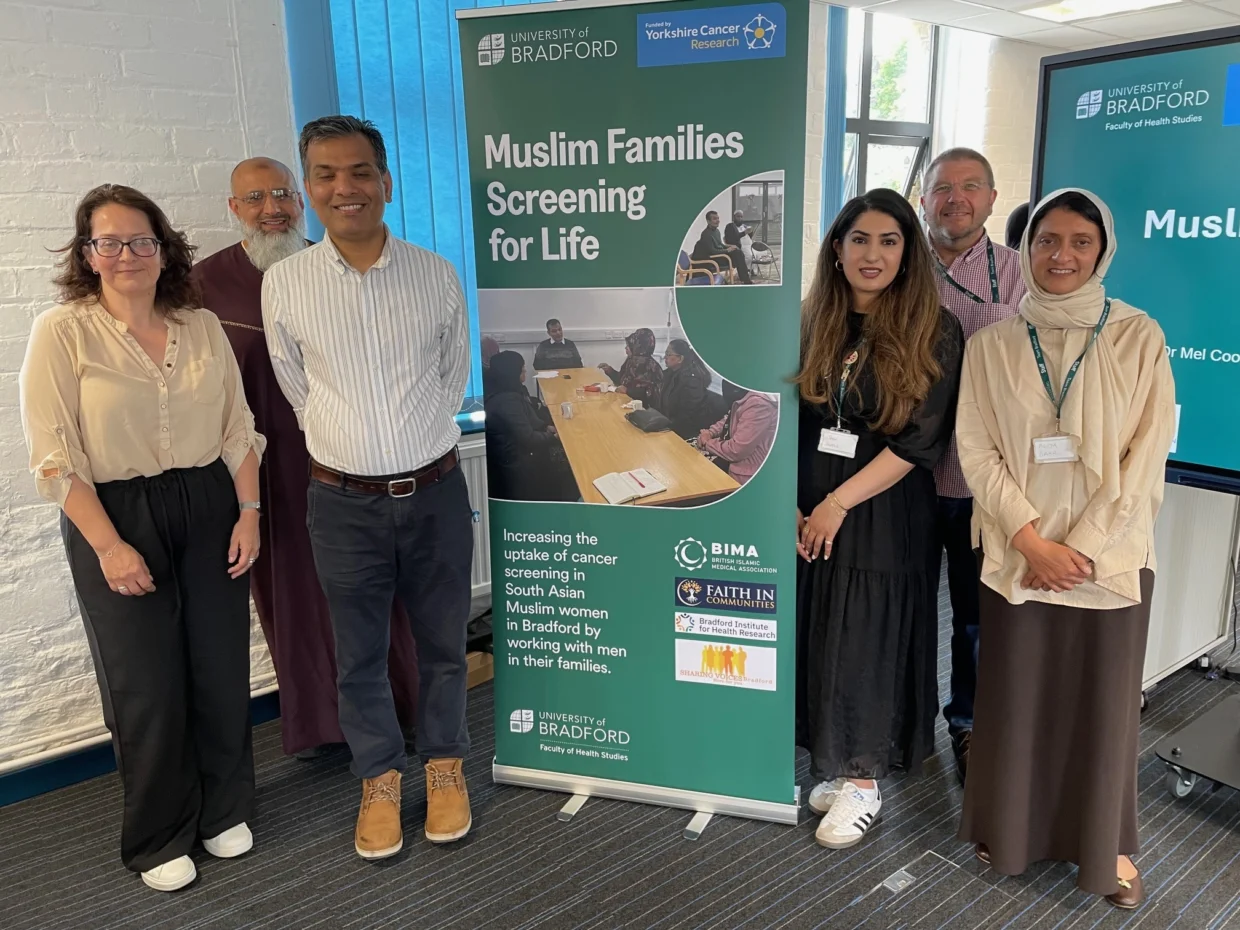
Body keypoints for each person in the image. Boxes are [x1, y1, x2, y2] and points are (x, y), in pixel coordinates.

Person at [19, 184, 265, 892]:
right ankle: (159, 832)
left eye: (141, 240)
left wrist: (249, 513)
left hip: (209, 503)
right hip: (116, 514)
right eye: (109, 241)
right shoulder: (61, 332)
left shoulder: (203, 325)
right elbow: (53, 459)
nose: (127, 254)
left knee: (219, 669)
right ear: (88, 254)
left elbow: (236, 430)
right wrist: (107, 546)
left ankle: (223, 810)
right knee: (146, 684)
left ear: (164, 249)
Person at [956, 189, 1175, 909]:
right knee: (1015, 702)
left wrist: (1075, 548)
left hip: (1107, 560)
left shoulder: (1140, 336)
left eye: (1081, 242)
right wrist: (1028, 538)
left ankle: (1106, 847)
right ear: (1028, 247)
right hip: (1018, 553)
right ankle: (1010, 830)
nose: (1062, 256)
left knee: (1103, 707)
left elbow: (1146, 459)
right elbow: (977, 448)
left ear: (1102, 249)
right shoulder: (991, 344)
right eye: (1048, 240)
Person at [262, 115, 474, 860]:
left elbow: (451, 378)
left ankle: (445, 767)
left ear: (386, 182)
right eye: (325, 175)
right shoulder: (284, 285)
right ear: (309, 189)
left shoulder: (435, 274)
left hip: (437, 493)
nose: (343, 188)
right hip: (342, 502)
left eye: (359, 173)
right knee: (358, 654)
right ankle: (379, 778)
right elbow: (298, 392)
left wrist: (409, 441)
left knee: (444, 644)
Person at [192, 156, 424, 760]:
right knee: (294, 593)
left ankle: (404, 706)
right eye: (254, 198)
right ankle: (324, 723)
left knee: (375, 589)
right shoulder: (201, 287)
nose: (271, 208)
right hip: (259, 474)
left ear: (301, 202)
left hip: (349, 461)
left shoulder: (340, 266)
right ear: (233, 209)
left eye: (282, 194)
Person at [795, 188, 964, 850]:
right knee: (822, 630)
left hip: (881, 507)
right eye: (859, 239)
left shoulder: (935, 329)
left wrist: (838, 504)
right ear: (836, 250)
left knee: (867, 635)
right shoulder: (813, 322)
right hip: (813, 507)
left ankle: (863, 782)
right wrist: (798, 506)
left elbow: (919, 442)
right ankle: (834, 763)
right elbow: (791, 420)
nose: (873, 254)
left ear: (908, 252)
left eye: (889, 241)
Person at [920, 147, 1027, 783]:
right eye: (942, 188)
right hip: (898, 476)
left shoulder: (1023, 276)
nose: (955, 198)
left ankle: (967, 726)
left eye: (970, 187)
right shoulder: (900, 270)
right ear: (925, 199)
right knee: (899, 607)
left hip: (980, 483)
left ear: (991, 198)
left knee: (972, 618)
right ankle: (897, 723)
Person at [484, 351, 577, 501]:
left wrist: (546, 428)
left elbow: (527, 421)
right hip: (519, 467)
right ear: (511, 373)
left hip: (520, 455)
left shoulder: (508, 392)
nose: (525, 372)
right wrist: (554, 436)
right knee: (570, 470)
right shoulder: (506, 402)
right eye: (522, 369)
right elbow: (529, 439)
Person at [698, 381, 777, 486]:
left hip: (746, 477)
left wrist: (707, 443)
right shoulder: (747, 394)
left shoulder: (759, 404)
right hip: (731, 464)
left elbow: (737, 450)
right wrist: (710, 432)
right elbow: (730, 417)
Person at [657, 339, 721, 439]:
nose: (665, 357)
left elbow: (686, 416)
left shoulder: (692, 380)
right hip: (670, 427)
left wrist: (665, 427)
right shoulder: (670, 373)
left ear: (680, 358)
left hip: (686, 433)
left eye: (668, 354)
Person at [599, 328, 664, 407]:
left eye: (629, 345)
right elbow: (622, 382)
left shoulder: (648, 365)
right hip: (628, 402)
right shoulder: (632, 361)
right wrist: (610, 371)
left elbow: (648, 394)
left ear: (637, 346)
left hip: (645, 409)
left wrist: (628, 391)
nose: (626, 348)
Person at [691, 210, 754, 284]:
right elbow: (713, 251)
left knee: (737, 251)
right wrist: (727, 250)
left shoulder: (716, 231)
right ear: (708, 221)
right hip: (713, 259)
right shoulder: (706, 234)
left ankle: (744, 277)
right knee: (738, 254)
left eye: (718, 218)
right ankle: (745, 279)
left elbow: (720, 244)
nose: (717, 221)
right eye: (714, 219)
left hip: (720, 255)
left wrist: (730, 246)